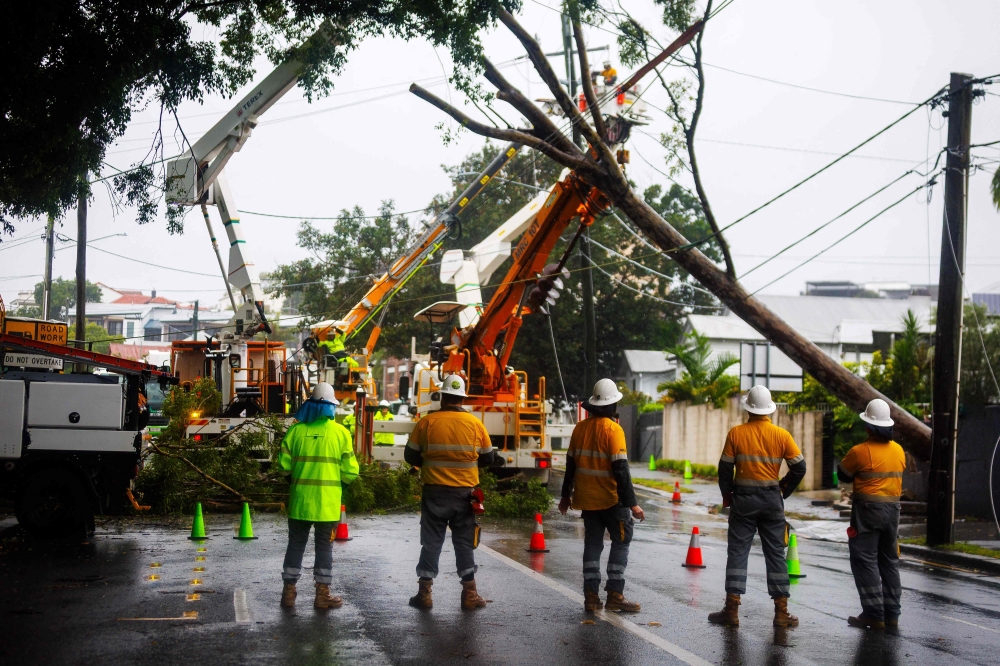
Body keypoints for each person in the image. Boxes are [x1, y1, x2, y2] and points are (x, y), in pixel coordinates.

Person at [708, 385, 806, 628]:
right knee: (776, 554)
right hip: (772, 500)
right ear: (770, 409)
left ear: (748, 408)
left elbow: (724, 468)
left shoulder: (736, 433)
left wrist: (727, 494)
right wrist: (784, 488)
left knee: (738, 552)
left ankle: (731, 610)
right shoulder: (782, 435)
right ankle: (781, 612)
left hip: (743, 500)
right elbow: (799, 467)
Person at [404, 374, 495, 610]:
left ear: (442, 395)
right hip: (465, 495)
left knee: (431, 542)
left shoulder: (427, 422)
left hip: (434, 492)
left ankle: (424, 593)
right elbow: (488, 458)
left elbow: (410, 456)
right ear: (462, 398)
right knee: (464, 543)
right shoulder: (475, 424)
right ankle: (469, 594)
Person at [559, 378, 644, 613]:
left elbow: (570, 466)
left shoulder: (580, 429)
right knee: (621, 541)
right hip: (611, 499)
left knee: (592, 544)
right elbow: (621, 471)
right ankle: (615, 594)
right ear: (612, 406)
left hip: (587, 500)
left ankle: (590, 596)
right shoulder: (613, 430)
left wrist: (565, 496)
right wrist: (633, 505)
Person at [277, 382, 359, 609]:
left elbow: (283, 468)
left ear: (311, 405)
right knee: (324, 547)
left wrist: (294, 481)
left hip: (300, 502)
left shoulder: (296, 431)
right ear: (331, 407)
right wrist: (339, 484)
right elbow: (351, 472)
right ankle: (322, 595)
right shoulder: (340, 433)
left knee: (295, 545)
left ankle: (288, 593)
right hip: (327, 504)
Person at [838, 399, 905, 630]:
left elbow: (843, 474)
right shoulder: (898, 451)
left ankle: (874, 614)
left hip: (867, 512)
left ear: (868, 426)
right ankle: (892, 614)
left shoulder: (860, 451)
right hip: (893, 512)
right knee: (889, 561)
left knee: (864, 560)